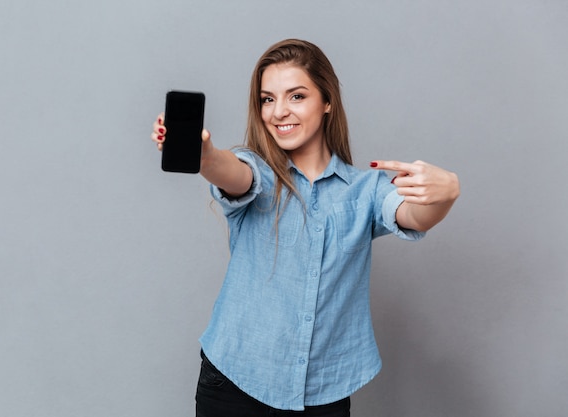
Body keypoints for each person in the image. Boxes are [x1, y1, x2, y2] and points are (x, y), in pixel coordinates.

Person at [151, 39, 460, 417]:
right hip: (234, 383)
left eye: (296, 96)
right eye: (267, 99)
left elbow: (413, 215)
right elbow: (236, 174)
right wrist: (206, 157)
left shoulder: (366, 190)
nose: (278, 112)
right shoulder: (258, 170)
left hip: (324, 394)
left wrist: (445, 194)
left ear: (327, 101)